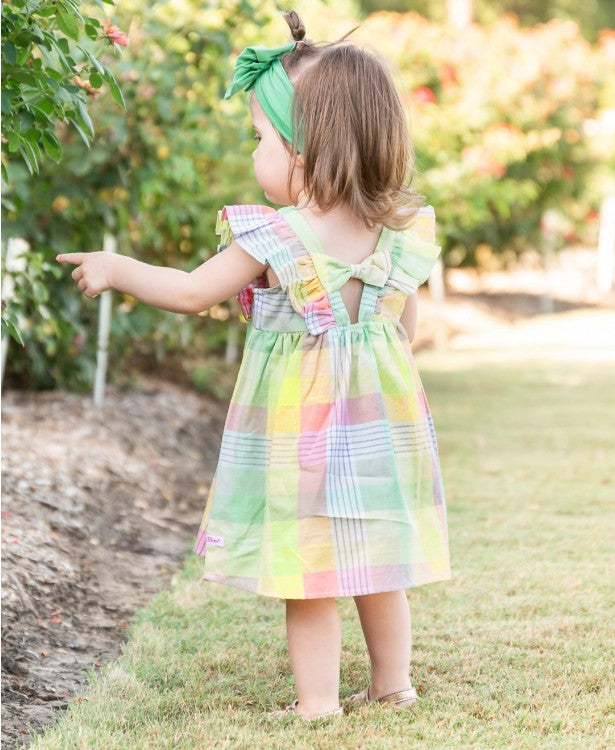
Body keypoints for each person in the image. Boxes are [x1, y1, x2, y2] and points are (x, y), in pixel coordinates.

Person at [57, 10, 451, 722]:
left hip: (302, 433)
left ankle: (317, 705)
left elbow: (188, 291)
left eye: (259, 138)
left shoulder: (276, 236)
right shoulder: (398, 231)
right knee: (374, 562)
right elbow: (407, 328)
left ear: (305, 148)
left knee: (308, 573)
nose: (252, 153)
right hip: (379, 432)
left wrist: (116, 267)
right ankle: (393, 684)